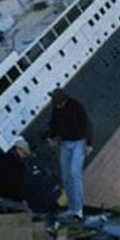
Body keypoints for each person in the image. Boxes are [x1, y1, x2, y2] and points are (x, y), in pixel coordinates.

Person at [46, 87, 92, 219]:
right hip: (65, 143)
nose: (58, 106)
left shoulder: (77, 106)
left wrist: (89, 143)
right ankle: (71, 207)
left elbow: (87, 125)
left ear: (64, 100)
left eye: (59, 103)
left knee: (74, 174)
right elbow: (54, 124)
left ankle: (78, 209)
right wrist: (52, 136)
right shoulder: (56, 108)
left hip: (79, 142)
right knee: (65, 175)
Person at [0, 137, 32, 214]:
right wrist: (23, 199)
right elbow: (17, 185)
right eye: (24, 153)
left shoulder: (2, 157)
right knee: (27, 212)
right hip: (1, 197)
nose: (24, 156)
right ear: (18, 149)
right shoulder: (17, 164)